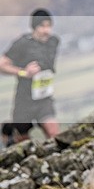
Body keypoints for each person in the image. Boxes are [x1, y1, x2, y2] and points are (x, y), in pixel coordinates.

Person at [0, 9, 60, 143]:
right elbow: (2, 64)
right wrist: (24, 72)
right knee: (24, 142)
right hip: (25, 101)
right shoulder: (22, 43)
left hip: (44, 98)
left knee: (54, 135)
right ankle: (9, 129)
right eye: (42, 26)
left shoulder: (54, 42)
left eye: (49, 26)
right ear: (34, 27)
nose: (47, 30)